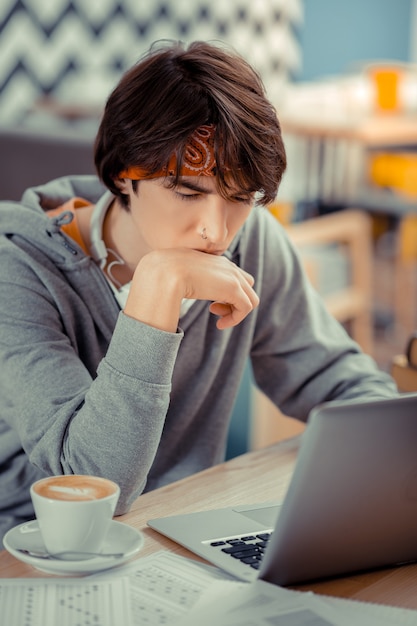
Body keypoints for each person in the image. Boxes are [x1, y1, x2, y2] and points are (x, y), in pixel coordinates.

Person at [0, 40, 397, 540]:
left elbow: (338, 380)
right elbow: (94, 484)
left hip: (181, 526)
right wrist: (158, 286)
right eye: (188, 192)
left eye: (240, 198)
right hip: (35, 545)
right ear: (124, 172)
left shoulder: (251, 239)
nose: (217, 231)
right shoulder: (17, 264)